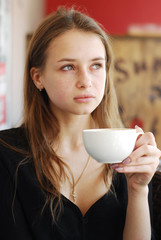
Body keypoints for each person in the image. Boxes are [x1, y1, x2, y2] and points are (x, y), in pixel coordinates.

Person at [0, 6, 160, 240]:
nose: (86, 81)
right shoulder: (7, 155)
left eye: (96, 65)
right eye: (68, 67)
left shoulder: (130, 152)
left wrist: (138, 190)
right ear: (38, 77)